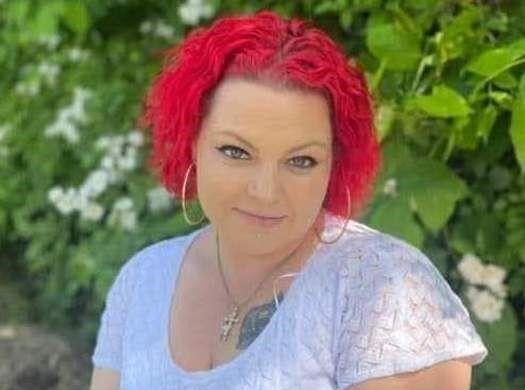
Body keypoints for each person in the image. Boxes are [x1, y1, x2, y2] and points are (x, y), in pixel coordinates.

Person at [89, 10, 488, 390]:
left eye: (300, 160)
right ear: (191, 143)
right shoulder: (143, 279)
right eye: (236, 152)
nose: (265, 191)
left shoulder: (386, 289)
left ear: (336, 163)